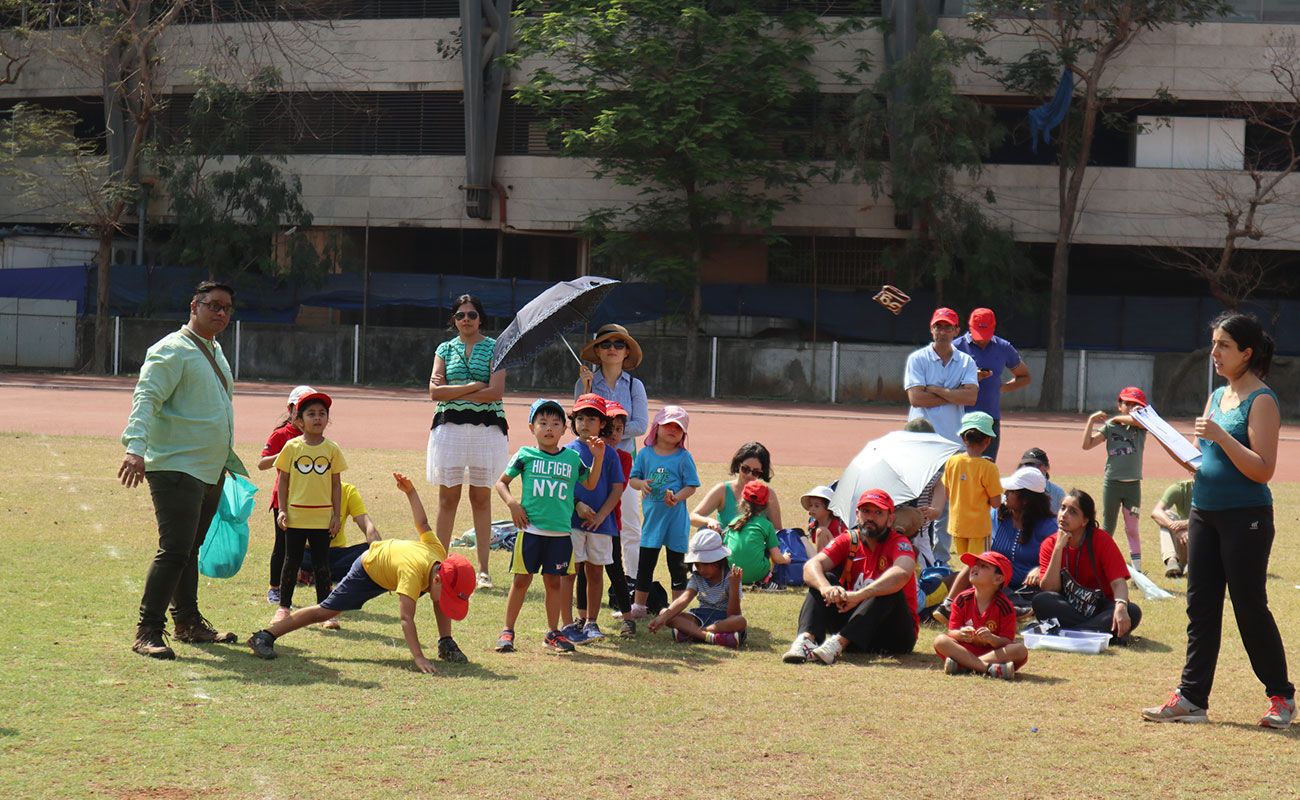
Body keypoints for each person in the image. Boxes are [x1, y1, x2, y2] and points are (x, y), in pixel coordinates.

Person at [1143, 312, 1295, 728]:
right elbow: (1199, 460)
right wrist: (1160, 433)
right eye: (1213, 343)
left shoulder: (1262, 400)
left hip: (1245, 517)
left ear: (1246, 353)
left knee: (1249, 608)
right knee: (1201, 608)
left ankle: (1281, 697)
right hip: (1203, 514)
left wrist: (1223, 436)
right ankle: (1192, 698)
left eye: (1223, 345)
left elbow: (1263, 470)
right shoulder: (1216, 397)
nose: (1214, 352)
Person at [119, 280, 245, 660]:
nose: (221, 313)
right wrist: (135, 449)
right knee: (174, 550)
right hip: (176, 466)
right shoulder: (172, 349)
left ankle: (188, 622)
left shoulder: (214, 350)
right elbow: (146, 398)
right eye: (213, 305)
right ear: (194, 306)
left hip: (209, 468)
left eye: (226, 308)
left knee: (190, 549)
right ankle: (147, 631)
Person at [247, 473, 476, 671]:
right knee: (324, 611)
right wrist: (418, 657)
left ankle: (446, 643)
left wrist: (411, 492)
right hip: (368, 569)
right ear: (437, 578)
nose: (448, 602)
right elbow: (406, 618)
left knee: (438, 598)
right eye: (449, 596)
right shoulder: (413, 573)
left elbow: (423, 524)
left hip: (390, 563)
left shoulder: (438, 556)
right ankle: (265, 635)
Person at [494, 399, 604, 654]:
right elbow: (501, 483)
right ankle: (507, 631)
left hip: (560, 534)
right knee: (521, 581)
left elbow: (590, 484)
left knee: (554, 583)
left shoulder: (572, 458)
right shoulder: (525, 455)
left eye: (555, 424)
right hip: (530, 531)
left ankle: (553, 632)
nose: (549, 428)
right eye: (542, 423)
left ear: (564, 429)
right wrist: (513, 505)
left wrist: (598, 458)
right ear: (531, 427)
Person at [780, 489, 919, 665]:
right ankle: (806, 641)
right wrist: (826, 588)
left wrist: (860, 595)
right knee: (825, 578)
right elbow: (811, 566)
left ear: (890, 519)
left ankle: (838, 644)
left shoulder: (899, 542)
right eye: (866, 511)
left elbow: (902, 572)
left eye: (878, 513)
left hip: (893, 636)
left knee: (888, 590)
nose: (870, 517)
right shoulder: (849, 540)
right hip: (855, 627)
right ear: (857, 515)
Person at [427, 294, 507, 590]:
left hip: (486, 430)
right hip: (450, 429)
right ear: (454, 320)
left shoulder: (496, 347)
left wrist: (454, 389)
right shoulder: (444, 349)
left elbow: (496, 392)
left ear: (480, 318)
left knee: (481, 499)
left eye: (472, 314)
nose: (466, 320)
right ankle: (439, 565)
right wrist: (475, 386)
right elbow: (435, 392)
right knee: (447, 499)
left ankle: (484, 570)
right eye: (460, 315)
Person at [933, 465, 1055, 623]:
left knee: (1044, 599)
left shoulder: (1049, 526)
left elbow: (1059, 561)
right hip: (995, 581)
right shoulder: (996, 516)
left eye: (1011, 492)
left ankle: (1005, 607)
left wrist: (1041, 569)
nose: (1005, 494)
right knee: (976, 566)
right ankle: (948, 606)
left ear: (1025, 500)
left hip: (1028, 589)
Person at [576, 323, 649, 583]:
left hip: (623, 462)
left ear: (627, 352)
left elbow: (641, 425)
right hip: (591, 461)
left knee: (629, 523)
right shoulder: (585, 382)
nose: (612, 349)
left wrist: (607, 430)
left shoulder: (634, 386)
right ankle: (585, 582)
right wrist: (587, 390)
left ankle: (632, 579)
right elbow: (580, 423)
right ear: (597, 350)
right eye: (605, 344)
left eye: (619, 344)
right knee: (586, 521)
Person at [271, 392, 345, 625]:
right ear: (299, 420)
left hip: (321, 518)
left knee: (321, 564)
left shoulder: (332, 449)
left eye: (322, 414)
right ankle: (284, 608)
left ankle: (325, 611)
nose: (317, 418)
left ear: (328, 419)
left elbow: (336, 484)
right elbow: (283, 480)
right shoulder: (292, 447)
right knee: (291, 561)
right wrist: (283, 510)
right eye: (311, 414)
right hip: (296, 516)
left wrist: (336, 516)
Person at [1031, 490, 1141, 641]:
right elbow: (1050, 588)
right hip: (1070, 607)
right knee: (1042, 600)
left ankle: (1068, 633)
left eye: (1073, 512)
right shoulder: (1050, 544)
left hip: (1101, 608)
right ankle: (1095, 633)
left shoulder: (1101, 540)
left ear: (1084, 521)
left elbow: (1118, 582)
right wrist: (1058, 548)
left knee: (1132, 611)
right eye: (1062, 508)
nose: (1064, 515)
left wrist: (1121, 606)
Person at [561, 393, 626, 644]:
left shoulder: (609, 454)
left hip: (601, 524)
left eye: (592, 419)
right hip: (572, 522)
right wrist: (577, 505)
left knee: (596, 572)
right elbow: (563, 487)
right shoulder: (567, 452)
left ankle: (591, 622)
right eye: (580, 418)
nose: (585, 423)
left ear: (602, 424)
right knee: (570, 572)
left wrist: (601, 515)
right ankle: (568, 623)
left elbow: (617, 488)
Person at [626, 406, 700, 620]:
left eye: (678, 427)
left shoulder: (684, 457)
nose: (672, 430)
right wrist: (641, 484)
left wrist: (677, 497)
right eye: (668, 425)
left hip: (676, 523)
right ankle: (639, 606)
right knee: (645, 565)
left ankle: (677, 609)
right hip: (652, 523)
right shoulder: (645, 454)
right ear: (656, 427)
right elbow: (633, 479)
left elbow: (691, 486)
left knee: (677, 567)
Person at [581, 399, 636, 636]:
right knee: (584, 570)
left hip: (609, 522)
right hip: (583, 520)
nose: (614, 434)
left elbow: (617, 489)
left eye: (619, 429)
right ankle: (582, 617)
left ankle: (628, 618)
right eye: (610, 429)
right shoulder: (582, 452)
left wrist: (602, 515)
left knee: (615, 569)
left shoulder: (621, 457)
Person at [298, 480, 384, 629]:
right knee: (293, 553)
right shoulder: (308, 488)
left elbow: (366, 523)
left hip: (336, 555)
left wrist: (380, 553)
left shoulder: (348, 491)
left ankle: (313, 574)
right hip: (308, 551)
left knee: (366, 551)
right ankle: (313, 572)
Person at [257, 384, 315, 605]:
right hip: (284, 499)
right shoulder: (282, 435)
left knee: (304, 545)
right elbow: (262, 463)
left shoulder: (315, 436)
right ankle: (275, 587)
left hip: (309, 498)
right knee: (282, 545)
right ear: (290, 409)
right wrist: (285, 452)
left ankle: (301, 579)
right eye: (301, 409)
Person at [1082, 386, 1149, 573]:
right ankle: (1098, 565)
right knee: (1108, 527)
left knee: (1132, 528)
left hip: (1133, 485)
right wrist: (1091, 421)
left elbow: (1140, 421)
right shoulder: (1111, 427)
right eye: (1127, 403)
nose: (1131, 407)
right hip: (1112, 483)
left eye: (1136, 405)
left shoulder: (1142, 425)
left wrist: (1118, 418)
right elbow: (1087, 445)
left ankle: (1137, 571)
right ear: (1119, 405)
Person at [932, 551, 1027, 680]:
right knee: (941, 640)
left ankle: (964, 666)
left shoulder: (1005, 606)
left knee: (1020, 650)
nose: (975, 568)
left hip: (993, 654)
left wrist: (992, 639)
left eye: (983, 566)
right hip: (964, 650)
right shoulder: (961, 599)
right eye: (975, 565)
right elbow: (952, 631)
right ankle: (988, 669)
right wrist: (961, 634)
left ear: (998, 579)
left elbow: (1007, 641)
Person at [953, 308, 1032, 462]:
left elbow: (1024, 377)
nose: (982, 340)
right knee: (958, 466)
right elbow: (942, 383)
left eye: (985, 334)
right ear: (970, 327)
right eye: (978, 334)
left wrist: (1000, 387)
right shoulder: (955, 347)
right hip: (960, 418)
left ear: (994, 328)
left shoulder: (1003, 347)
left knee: (986, 467)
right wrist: (971, 378)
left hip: (989, 419)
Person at [648, 530, 747, 648]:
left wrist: (734, 587)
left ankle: (694, 633)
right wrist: (663, 618)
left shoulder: (731, 577)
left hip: (724, 619)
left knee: (740, 621)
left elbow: (733, 614)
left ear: (717, 561)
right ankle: (713, 637)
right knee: (665, 613)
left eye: (705, 564)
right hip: (700, 616)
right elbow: (684, 599)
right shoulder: (697, 577)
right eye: (697, 565)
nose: (701, 570)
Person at [904, 307, 978, 443]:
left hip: (953, 440)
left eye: (948, 327)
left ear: (956, 331)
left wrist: (934, 389)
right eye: (938, 327)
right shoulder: (917, 359)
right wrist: (956, 395)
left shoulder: (966, 361)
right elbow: (916, 399)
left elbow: (970, 398)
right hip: (921, 438)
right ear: (931, 329)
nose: (942, 332)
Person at [941, 412, 1002, 560]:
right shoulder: (989, 467)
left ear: (963, 438)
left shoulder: (952, 461)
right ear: (988, 440)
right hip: (979, 528)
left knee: (966, 562)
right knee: (979, 563)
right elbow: (996, 503)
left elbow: (947, 493)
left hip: (958, 525)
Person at [690, 441, 784, 532]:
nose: (749, 475)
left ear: (762, 472)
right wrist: (709, 521)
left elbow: (777, 531)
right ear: (738, 465)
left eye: (755, 472)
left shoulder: (768, 494)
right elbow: (693, 517)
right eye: (745, 469)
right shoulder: (722, 490)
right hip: (726, 542)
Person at [722, 481, 790, 584]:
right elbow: (777, 557)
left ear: (742, 501)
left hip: (733, 574)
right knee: (769, 551)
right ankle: (766, 582)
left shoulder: (734, 523)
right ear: (766, 504)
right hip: (757, 575)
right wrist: (786, 559)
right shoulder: (767, 525)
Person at [1150, 477, 1193, 578]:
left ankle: (1193, 565)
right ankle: (1171, 560)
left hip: (1203, 542)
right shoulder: (1180, 488)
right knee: (1167, 515)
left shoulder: (1214, 489)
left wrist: (1187, 523)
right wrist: (1175, 528)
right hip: (1184, 539)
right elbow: (1156, 512)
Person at [1018, 447, 1065, 512]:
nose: (1031, 469)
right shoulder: (1014, 491)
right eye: (1027, 465)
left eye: (1036, 465)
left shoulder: (1057, 494)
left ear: (1047, 467)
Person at [801, 485, 847, 552]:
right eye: (811, 505)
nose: (813, 509)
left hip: (838, 554)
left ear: (829, 509)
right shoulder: (813, 526)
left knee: (821, 531)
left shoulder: (837, 526)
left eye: (817, 506)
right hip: (824, 554)